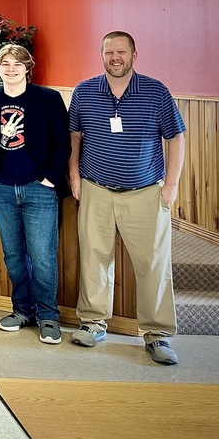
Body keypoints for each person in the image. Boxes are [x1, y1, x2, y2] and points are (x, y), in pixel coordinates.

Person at [68, 31, 186, 365]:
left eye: (121, 52)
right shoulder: (84, 91)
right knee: (94, 259)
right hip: (95, 189)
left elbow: (176, 138)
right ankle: (93, 324)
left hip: (145, 192)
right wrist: (74, 176)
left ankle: (157, 334)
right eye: (109, 52)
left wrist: (171, 185)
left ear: (134, 55)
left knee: (153, 264)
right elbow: (75, 137)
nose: (115, 58)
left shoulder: (155, 91)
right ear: (102, 55)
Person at [0, 45, 70, 343]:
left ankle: (48, 316)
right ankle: (22, 310)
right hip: (1, 187)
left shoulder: (48, 98)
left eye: (17, 63)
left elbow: (62, 142)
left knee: (42, 257)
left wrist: (50, 178)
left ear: (28, 67)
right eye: (5, 63)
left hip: (38, 188)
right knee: (14, 256)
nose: (11, 68)